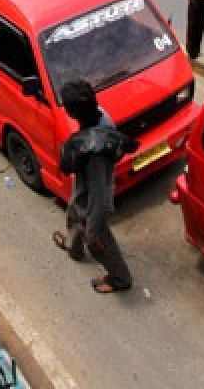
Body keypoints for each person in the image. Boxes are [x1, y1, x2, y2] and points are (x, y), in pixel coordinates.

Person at [52, 80, 136, 294]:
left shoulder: (96, 154)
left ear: (73, 113)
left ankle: (120, 278)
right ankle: (74, 247)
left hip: (95, 200)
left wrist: (94, 229)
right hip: (83, 191)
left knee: (98, 239)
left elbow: (100, 195)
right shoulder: (99, 114)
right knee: (74, 213)